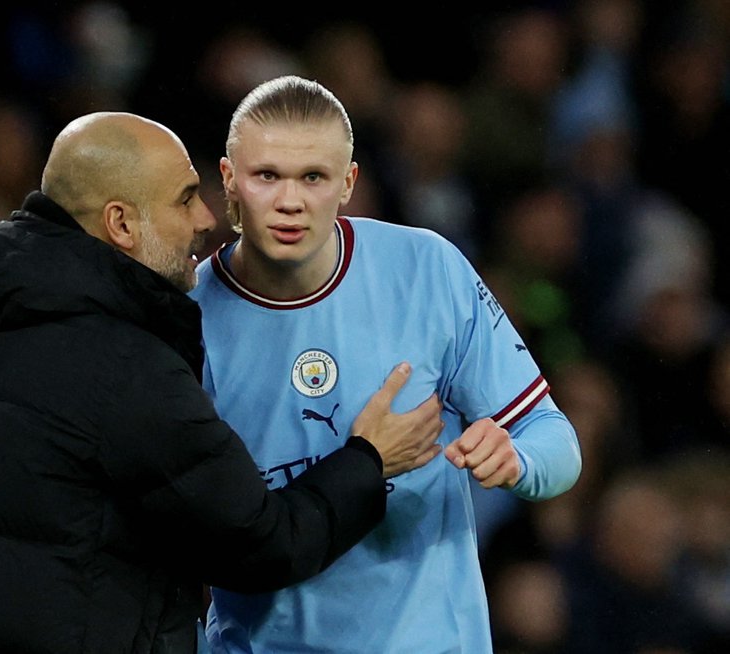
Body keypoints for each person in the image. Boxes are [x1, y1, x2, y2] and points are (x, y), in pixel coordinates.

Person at [0, 112, 446, 653]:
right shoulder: (124, 369)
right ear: (121, 224)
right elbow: (264, 545)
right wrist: (369, 458)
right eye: (186, 198)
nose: (206, 221)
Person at [190, 75, 583, 653]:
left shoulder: (427, 267)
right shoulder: (187, 314)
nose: (290, 200)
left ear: (348, 183)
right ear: (228, 179)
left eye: (314, 177)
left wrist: (516, 459)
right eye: (267, 175)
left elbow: (557, 441)